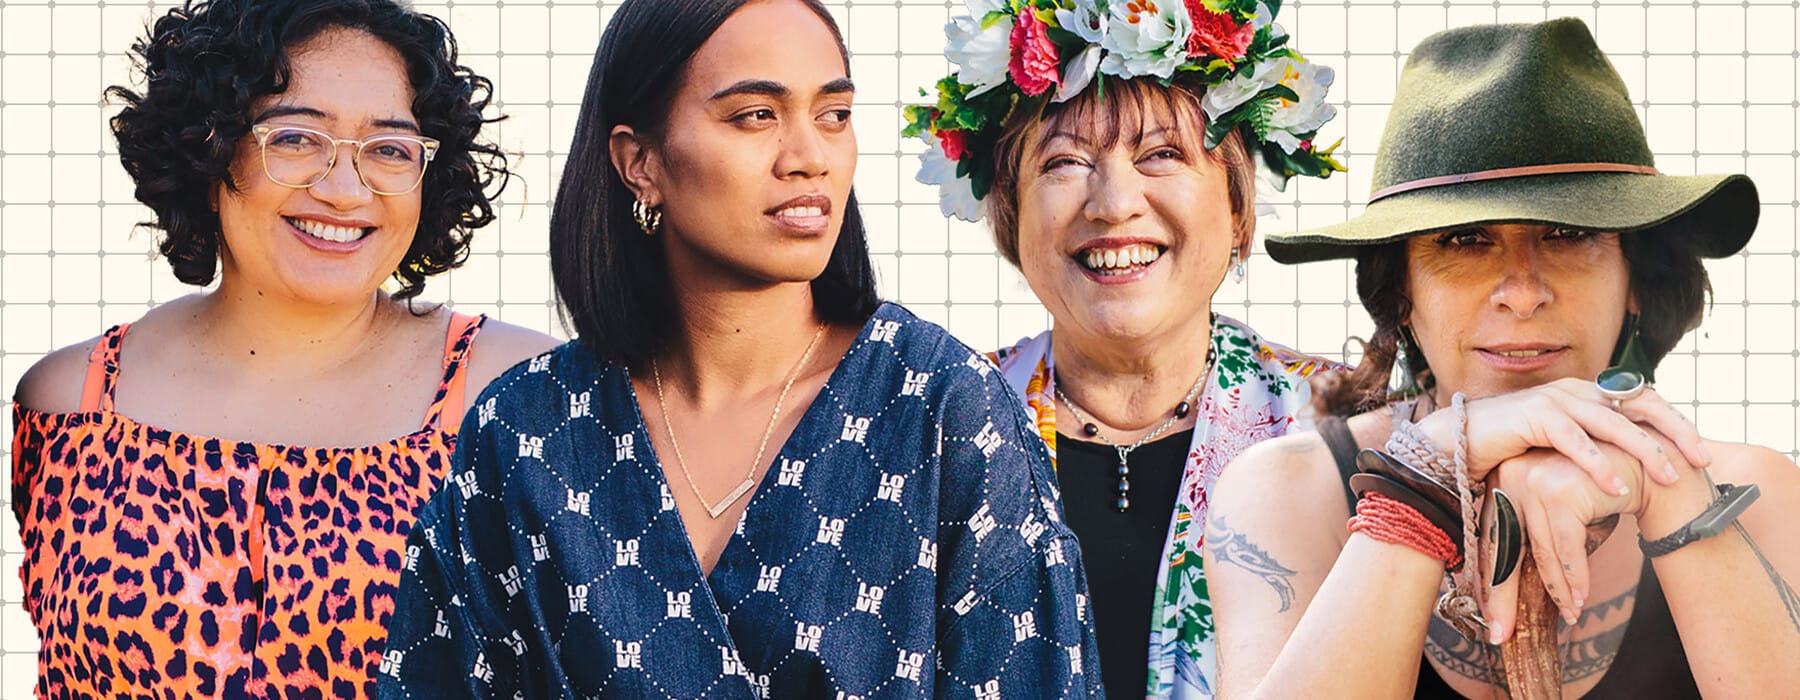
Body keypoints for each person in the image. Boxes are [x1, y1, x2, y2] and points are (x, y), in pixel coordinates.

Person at [375, 1, 1102, 697]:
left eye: (835, 115)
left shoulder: (947, 412)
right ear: (641, 163)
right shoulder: (524, 433)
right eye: (756, 116)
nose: (809, 156)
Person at [1205, 18, 1800, 698]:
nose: (1522, 291)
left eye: (1570, 233)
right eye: (1464, 239)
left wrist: (1665, 487)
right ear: (1400, 289)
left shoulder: (1757, 496)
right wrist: (1421, 482)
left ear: (1635, 280)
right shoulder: (1288, 492)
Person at [7, 0, 560, 696]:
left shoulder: (520, 397)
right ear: (208, 147)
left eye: (389, 149)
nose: (343, 189)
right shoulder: (71, 401)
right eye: (296, 138)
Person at [904, 1, 1344, 696]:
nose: (1114, 203)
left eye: (1162, 154)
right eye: (1065, 161)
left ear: (1236, 209)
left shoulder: (1348, 428)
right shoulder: (932, 431)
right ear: (1012, 219)